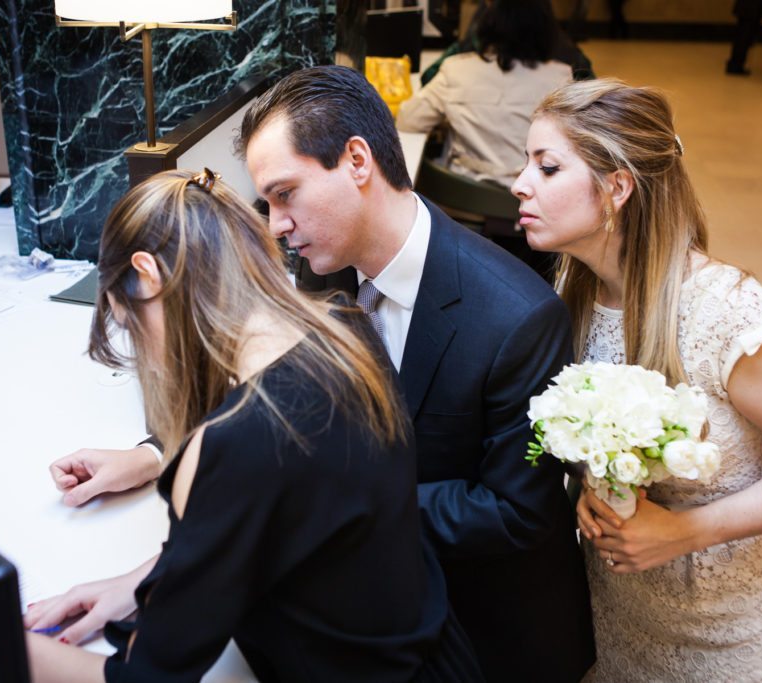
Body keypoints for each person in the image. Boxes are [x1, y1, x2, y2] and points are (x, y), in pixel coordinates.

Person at [50, 65, 595, 682]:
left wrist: (311, 510)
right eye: (266, 203)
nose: (276, 226)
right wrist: (156, 460)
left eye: (285, 194)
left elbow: (512, 512)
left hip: (481, 629)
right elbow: (283, 412)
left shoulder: (519, 319)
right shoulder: (325, 267)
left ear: (357, 161)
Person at [24, 169, 483, 682]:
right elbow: (293, 529)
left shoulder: (235, 445)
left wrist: (0, 641)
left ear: (148, 274)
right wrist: (146, 580)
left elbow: (145, 678)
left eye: (130, 321)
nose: (146, 353)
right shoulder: (345, 329)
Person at [511, 78, 762, 681]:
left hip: (734, 632)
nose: (519, 184)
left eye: (546, 167)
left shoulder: (732, 316)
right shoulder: (570, 292)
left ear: (617, 188)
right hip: (621, 619)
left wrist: (683, 531)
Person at [396, 0, 575, 188]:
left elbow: (408, 120)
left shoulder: (457, 69)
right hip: (532, 200)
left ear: (487, 24)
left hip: (461, 197)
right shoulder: (561, 78)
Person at [726, 0, 762, 75]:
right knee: (744, 37)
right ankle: (737, 64)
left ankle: (736, 63)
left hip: (746, 8)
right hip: (751, 9)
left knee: (741, 36)